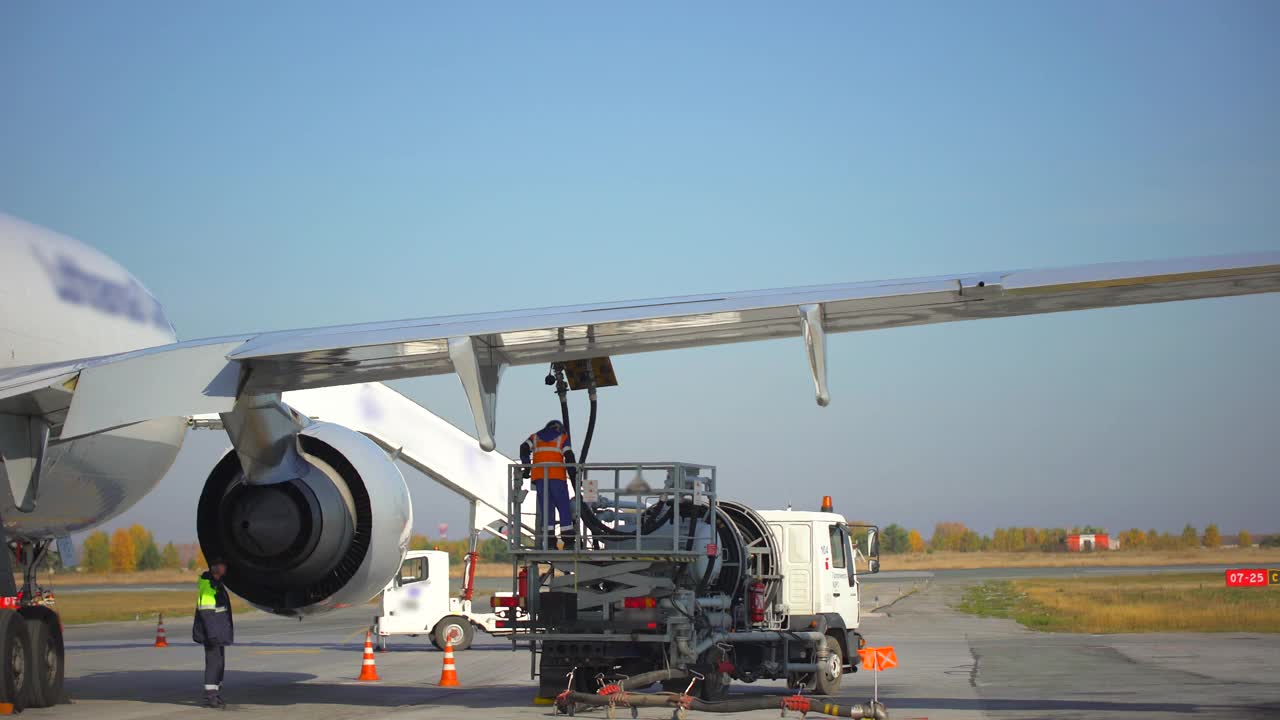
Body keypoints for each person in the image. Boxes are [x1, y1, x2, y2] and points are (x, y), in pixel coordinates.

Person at [519, 419, 577, 547]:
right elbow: (569, 456)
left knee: (546, 509)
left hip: (540, 477)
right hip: (557, 477)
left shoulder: (535, 437)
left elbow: (523, 448)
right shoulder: (562, 437)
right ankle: (568, 541)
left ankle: (550, 541)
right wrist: (575, 476)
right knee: (563, 507)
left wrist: (527, 466)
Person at [192, 557, 234, 709]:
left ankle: (216, 693)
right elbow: (207, 613)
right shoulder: (209, 586)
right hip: (213, 634)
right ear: (214, 567)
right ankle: (211, 696)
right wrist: (212, 635)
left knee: (220, 664)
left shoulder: (217, 584)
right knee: (213, 664)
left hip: (219, 633)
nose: (225, 568)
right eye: (223, 565)